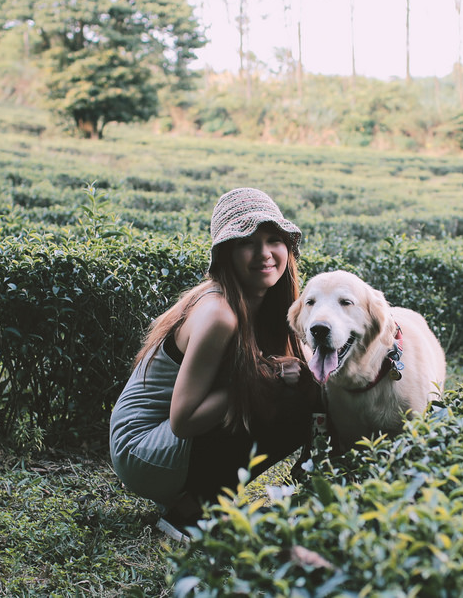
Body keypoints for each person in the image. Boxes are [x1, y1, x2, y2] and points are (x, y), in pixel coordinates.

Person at [109, 188, 319, 541]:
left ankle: (205, 499)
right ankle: (192, 510)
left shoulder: (269, 302)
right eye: (247, 243)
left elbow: (315, 378)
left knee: (305, 393)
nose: (265, 254)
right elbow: (183, 419)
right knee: (285, 396)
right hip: (142, 450)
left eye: (274, 240)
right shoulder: (219, 313)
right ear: (227, 254)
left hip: (169, 445)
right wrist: (262, 375)